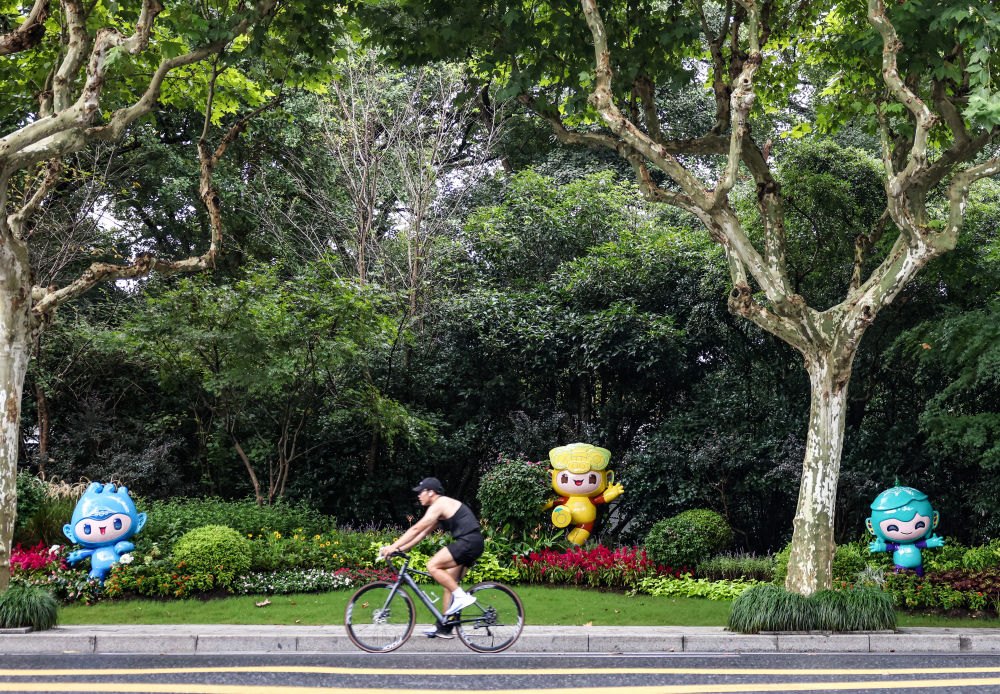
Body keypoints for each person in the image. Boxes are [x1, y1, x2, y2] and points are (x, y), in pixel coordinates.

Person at [379, 477, 485, 639]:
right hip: (472, 542)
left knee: (433, 565)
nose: (418, 496)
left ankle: (462, 597)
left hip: (469, 541)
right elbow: (421, 534)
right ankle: (445, 627)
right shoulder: (439, 509)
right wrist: (399, 549)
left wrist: (392, 546)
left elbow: (416, 528)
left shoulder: (439, 504)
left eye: (421, 492)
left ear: (431, 492)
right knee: (449, 583)